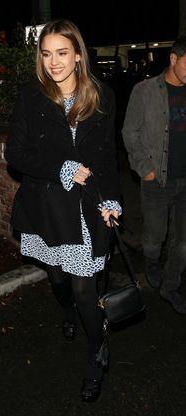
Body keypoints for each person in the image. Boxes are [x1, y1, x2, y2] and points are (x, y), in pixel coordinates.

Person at [4, 19, 122, 402]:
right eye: (46, 53)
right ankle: (67, 312)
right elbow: (17, 155)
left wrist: (111, 199)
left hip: (87, 211)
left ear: (77, 56)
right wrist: (61, 169)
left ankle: (95, 358)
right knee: (59, 281)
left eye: (62, 52)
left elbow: (106, 158)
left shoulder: (102, 95)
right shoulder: (31, 95)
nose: (54, 62)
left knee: (86, 290)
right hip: (47, 207)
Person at [122, 37, 186, 315]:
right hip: (156, 180)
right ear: (174, 59)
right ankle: (150, 262)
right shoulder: (144, 90)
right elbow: (129, 132)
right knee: (154, 236)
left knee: (183, 242)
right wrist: (143, 168)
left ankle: (170, 286)